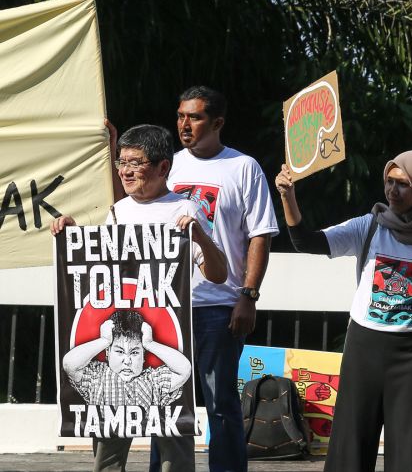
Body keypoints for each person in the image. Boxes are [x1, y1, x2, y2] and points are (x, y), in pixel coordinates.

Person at [52, 123, 227, 472]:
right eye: (122, 162)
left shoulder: (186, 210)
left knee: (175, 451)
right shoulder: (118, 211)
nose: (126, 171)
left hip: (167, 342)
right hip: (117, 345)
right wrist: (71, 237)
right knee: (108, 454)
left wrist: (200, 239)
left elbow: (218, 274)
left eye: (136, 162)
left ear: (163, 167)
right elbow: (97, 267)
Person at [275, 150, 412, 472]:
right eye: (389, 181)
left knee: (411, 455)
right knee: (350, 448)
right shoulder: (370, 227)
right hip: (364, 348)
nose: (392, 191)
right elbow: (306, 242)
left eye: (403, 184)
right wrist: (288, 196)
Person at [162, 86, 278, 472]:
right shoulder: (169, 166)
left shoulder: (243, 168)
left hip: (220, 305)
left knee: (221, 402)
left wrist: (248, 295)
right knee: (167, 402)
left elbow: (260, 234)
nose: (184, 124)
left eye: (194, 117)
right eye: (180, 116)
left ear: (218, 122)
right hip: (170, 304)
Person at [63, 310, 191, 409]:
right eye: (119, 351)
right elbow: (69, 364)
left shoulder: (153, 380)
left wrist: (150, 344)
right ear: (107, 352)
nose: (127, 361)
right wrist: (104, 341)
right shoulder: (96, 377)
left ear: (143, 356)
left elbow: (184, 370)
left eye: (134, 352)